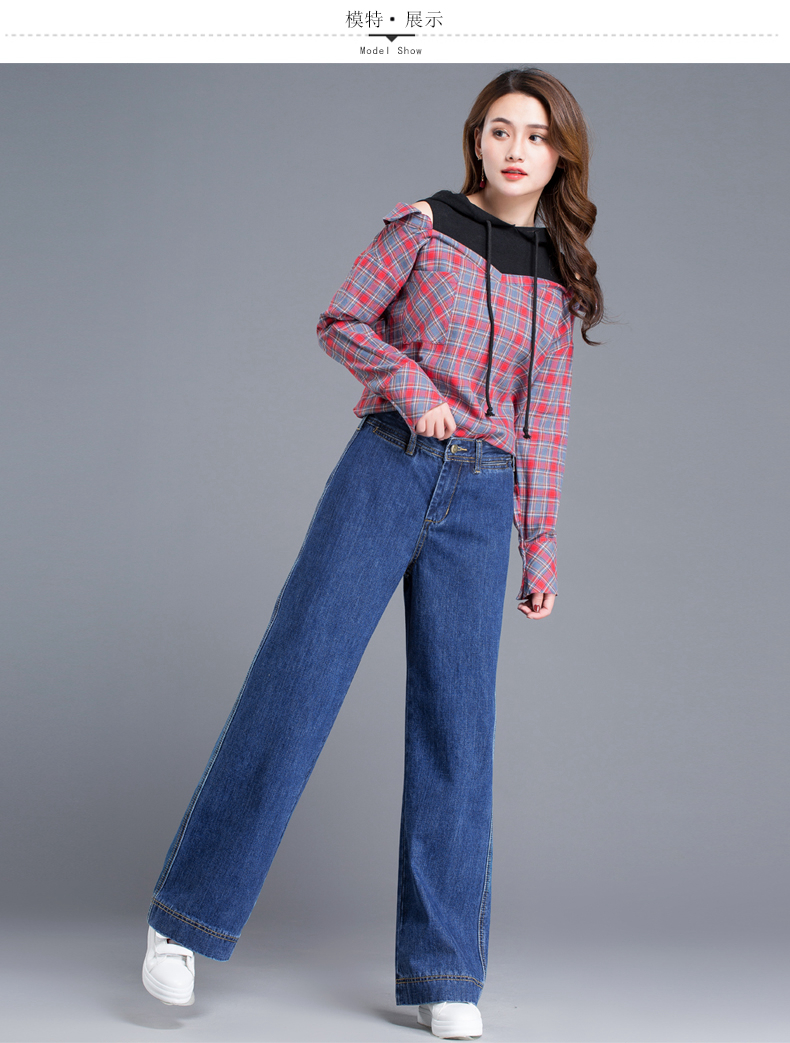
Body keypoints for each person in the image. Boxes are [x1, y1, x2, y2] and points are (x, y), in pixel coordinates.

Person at [141, 66, 603, 1040]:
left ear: (560, 154)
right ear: (475, 139)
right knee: (296, 682)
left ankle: (445, 967)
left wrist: (541, 546)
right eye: (499, 129)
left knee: (457, 728)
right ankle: (182, 924)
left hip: (485, 493)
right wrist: (410, 386)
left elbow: (546, 427)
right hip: (388, 465)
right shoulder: (422, 228)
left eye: (535, 135)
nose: (515, 148)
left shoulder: (559, 284)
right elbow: (340, 320)